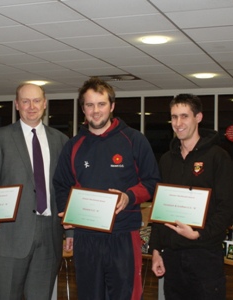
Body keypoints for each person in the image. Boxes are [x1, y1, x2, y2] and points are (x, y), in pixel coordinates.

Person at [53, 77, 160, 300]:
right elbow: (61, 184)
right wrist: (68, 214)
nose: (96, 110)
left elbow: (151, 182)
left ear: (112, 106)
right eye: (90, 105)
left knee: (126, 295)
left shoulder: (133, 140)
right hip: (86, 237)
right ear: (83, 109)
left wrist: (129, 196)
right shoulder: (73, 146)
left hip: (123, 234)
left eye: (101, 104)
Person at [0, 83, 69, 300]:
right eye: (26, 101)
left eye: (36, 100)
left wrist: (71, 231)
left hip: (50, 235)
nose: (31, 106)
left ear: (45, 104)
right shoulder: (0, 138)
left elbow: (65, 188)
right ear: (16, 104)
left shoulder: (60, 141)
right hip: (10, 235)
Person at [149, 93, 233, 300]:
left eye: (184, 116)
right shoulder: (166, 160)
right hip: (171, 256)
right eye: (173, 117)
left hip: (204, 254)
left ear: (198, 118)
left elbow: (229, 208)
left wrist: (200, 234)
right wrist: (156, 250)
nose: (178, 123)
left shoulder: (217, 157)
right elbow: (160, 208)